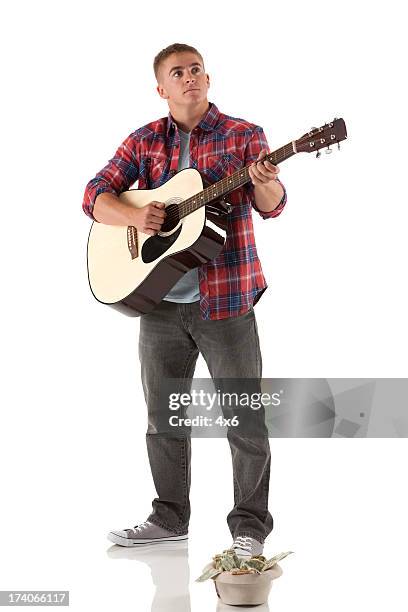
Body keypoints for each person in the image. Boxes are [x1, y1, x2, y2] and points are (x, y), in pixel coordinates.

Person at [82, 43, 287, 558]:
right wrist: (135, 217)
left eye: (196, 69)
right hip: (158, 303)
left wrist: (267, 182)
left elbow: (273, 206)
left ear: (207, 77)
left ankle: (250, 528)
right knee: (163, 416)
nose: (190, 77)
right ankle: (169, 518)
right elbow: (94, 194)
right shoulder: (145, 140)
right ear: (162, 88)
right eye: (178, 73)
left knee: (244, 417)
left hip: (227, 299)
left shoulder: (244, 136)